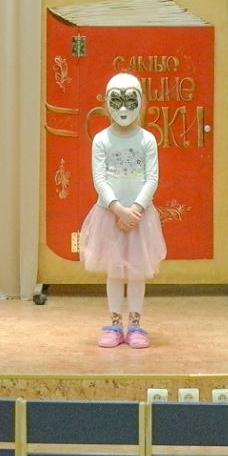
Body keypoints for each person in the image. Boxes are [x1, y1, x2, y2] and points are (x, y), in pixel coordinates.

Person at [82, 72, 165, 348]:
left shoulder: (147, 140)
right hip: (109, 217)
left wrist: (135, 210)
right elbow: (100, 180)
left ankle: (136, 326)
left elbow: (152, 179)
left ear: (141, 102)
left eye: (131, 101)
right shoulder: (101, 140)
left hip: (141, 218)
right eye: (116, 101)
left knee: (138, 272)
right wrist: (119, 210)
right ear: (107, 103)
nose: (123, 109)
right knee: (115, 272)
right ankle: (115, 325)